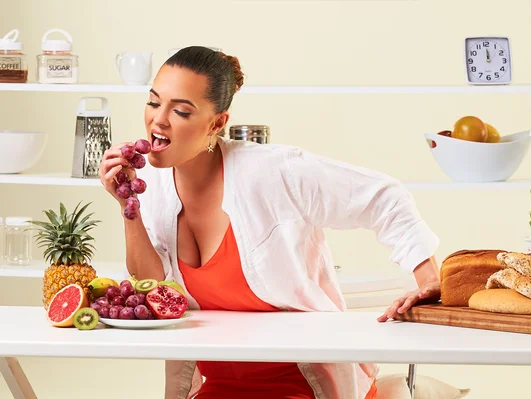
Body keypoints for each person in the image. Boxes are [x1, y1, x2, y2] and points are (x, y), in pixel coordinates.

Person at [99, 46, 441, 399]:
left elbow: (384, 197)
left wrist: (429, 281)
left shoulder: (274, 172)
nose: (159, 120)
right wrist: (129, 206)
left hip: (305, 384)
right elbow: (151, 285)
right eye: (154, 103)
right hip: (219, 388)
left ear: (217, 124)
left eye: (181, 111)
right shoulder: (150, 182)